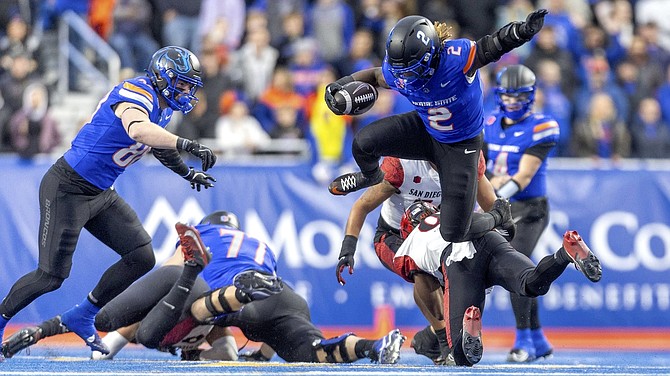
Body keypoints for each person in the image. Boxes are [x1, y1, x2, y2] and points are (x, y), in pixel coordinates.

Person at [0, 45, 218, 359]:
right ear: (163, 76)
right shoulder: (136, 91)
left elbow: (159, 144)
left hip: (100, 191)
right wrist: (188, 143)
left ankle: (84, 314)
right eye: (182, 83)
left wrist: (186, 172)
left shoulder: (164, 105)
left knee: (142, 256)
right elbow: (139, 129)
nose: (186, 91)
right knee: (50, 276)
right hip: (68, 187)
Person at [3, 211, 407, 365]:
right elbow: (254, 346)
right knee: (314, 353)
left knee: (145, 324)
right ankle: (371, 348)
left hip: (211, 294)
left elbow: (128, 325)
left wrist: (101, 347)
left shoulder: (202, 240)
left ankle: (227, 295)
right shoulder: (260, 245)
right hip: (277, 297)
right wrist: (260, 358)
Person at [325, 10, 548, 245]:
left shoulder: (456, 58)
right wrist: (342, 84)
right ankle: (371, 175)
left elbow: (493, 45)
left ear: (430, 56)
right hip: (425, 127)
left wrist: (522, 31)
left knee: (453, 232)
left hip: (461, 144)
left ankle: (498, 216)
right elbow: (375, 75)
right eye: (401, 71)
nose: (405, 78)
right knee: (363, 143)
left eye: (410, 71)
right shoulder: (401, 68)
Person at [334, 153, 506, 364]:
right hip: (394, 235)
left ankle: (431, 338)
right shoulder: (403, 165)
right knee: (420, 267)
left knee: (469, 277)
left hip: (441, 233)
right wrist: (348, 249)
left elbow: (493, 206)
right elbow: (362, 205)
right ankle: (445, 342)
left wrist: (502, 234)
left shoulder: (467, 157)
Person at [395, 203, 602, 367]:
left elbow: (427, 293)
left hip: (461, 260)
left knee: (461, 357)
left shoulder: (410, 243)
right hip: (491, 238)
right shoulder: (451, 213)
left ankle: (468, 327)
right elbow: (503, 228)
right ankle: (564, 254)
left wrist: (442, 327)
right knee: (530, 284)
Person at [483, 64, 559, 363]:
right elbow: (480, 166)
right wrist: (489, 185)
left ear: (530, 96)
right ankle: (537, 339)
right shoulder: (487, 121)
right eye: (508, 97)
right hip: (501, 207)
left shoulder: (543, 126)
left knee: (517, 267)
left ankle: (523, 340)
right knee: (522, 268)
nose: (513, 103)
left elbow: (524, 177)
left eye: (519, 97)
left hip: (530, 210)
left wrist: (492, 193)